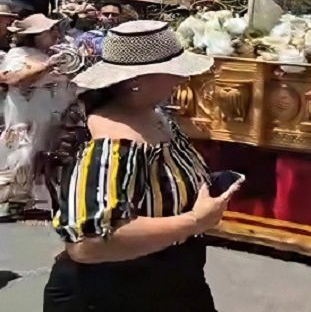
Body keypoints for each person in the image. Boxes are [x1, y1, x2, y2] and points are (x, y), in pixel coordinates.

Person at [43, 20, 241, 311]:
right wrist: (195, 221)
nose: (183, 79)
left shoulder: (155, 116)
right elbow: (90, 244)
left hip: (172, 281)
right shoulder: (110, 142)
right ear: (138, 80)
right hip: (113, 294)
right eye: (174, 70)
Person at [0, 14, 76, 219]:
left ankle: (52, 205)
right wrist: (48, 65)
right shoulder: (19, 55)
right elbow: (14, 78)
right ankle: (12, 205)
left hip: (54, 121)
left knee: (51, 163)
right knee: (19, 163)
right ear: (34, 35)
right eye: (49, 31)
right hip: (26, 122)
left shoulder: (59, 53)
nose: (56, 34)